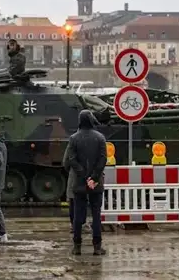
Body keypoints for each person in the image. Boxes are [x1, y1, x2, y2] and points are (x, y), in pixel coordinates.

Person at [65, 110, 107, 256]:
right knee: (96, 214)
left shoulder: (73, 138)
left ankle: (77, 247)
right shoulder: (100, 138)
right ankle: (97, 246)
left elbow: (71, 160)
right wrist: (94, 178)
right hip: (96, 184)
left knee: (77, 215)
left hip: (79, 183)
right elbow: (102, 160)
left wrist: (84, 177)